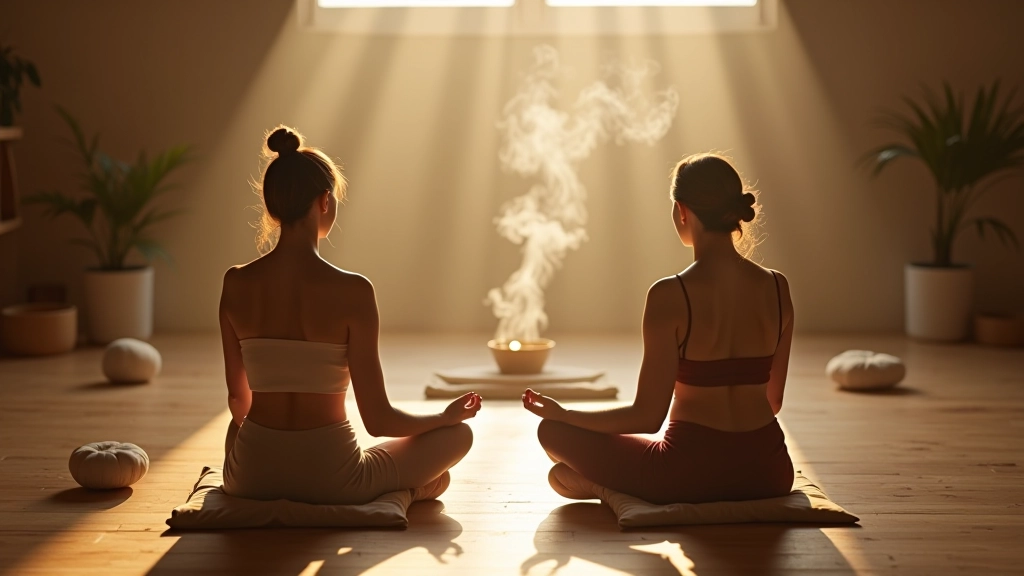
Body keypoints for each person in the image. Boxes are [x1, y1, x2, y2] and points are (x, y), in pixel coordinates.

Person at [220, 125, 481, 505]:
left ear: (271, 206)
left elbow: (237, 402)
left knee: (235, 430)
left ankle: (412, 486)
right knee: (459, 437)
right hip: (334, 480)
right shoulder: (354, 291)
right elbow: (378, 421)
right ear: (324, 201)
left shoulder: (235, 284)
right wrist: (445, 417)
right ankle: (412, 488)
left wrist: (274, 451)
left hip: (251, 479)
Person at [522, 153, 794, 504]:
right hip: (769, 474)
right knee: (564, 474)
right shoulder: (777, 286)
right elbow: (772, 402)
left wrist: (565, 414)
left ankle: (600, 487)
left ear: (682, 211)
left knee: (553, 433)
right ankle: (594, 484)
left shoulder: (670, 294)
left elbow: (648, 417)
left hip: (686, 477)